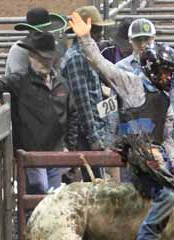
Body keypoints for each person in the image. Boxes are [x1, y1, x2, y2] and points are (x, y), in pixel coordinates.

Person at [69, 11, 174, 240]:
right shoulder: (130, 82)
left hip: (156, 155)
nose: (167, 76)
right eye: (163, 71)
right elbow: (101, 64)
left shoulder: (165, 95)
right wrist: (86, 39)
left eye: (170, 71)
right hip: (137, 156)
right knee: (167, 196)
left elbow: (166, 135)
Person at [0, 32, 77, 194]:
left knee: (50, 198)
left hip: (55, 153)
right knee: (39, 192)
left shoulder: (62, 84)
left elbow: (72, 116)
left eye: (48, 58)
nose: (45, 62)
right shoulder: (20, 80)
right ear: (31, 57)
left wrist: (69, 148)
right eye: (41, 58)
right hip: (30, 155)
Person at [60, 5, 114, 175]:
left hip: (91, 130)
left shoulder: (86, 55)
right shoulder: (77, 58)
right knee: (93, 182)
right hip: (84, 133)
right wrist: (94, 137)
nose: (99, 34)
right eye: (95, 29)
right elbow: (82, 102)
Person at [5, 7, 67, 76]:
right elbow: (19, 81)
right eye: (38, 33)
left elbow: (57, 73)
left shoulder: (52, 46)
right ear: (30, 31)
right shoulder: (19, 50)